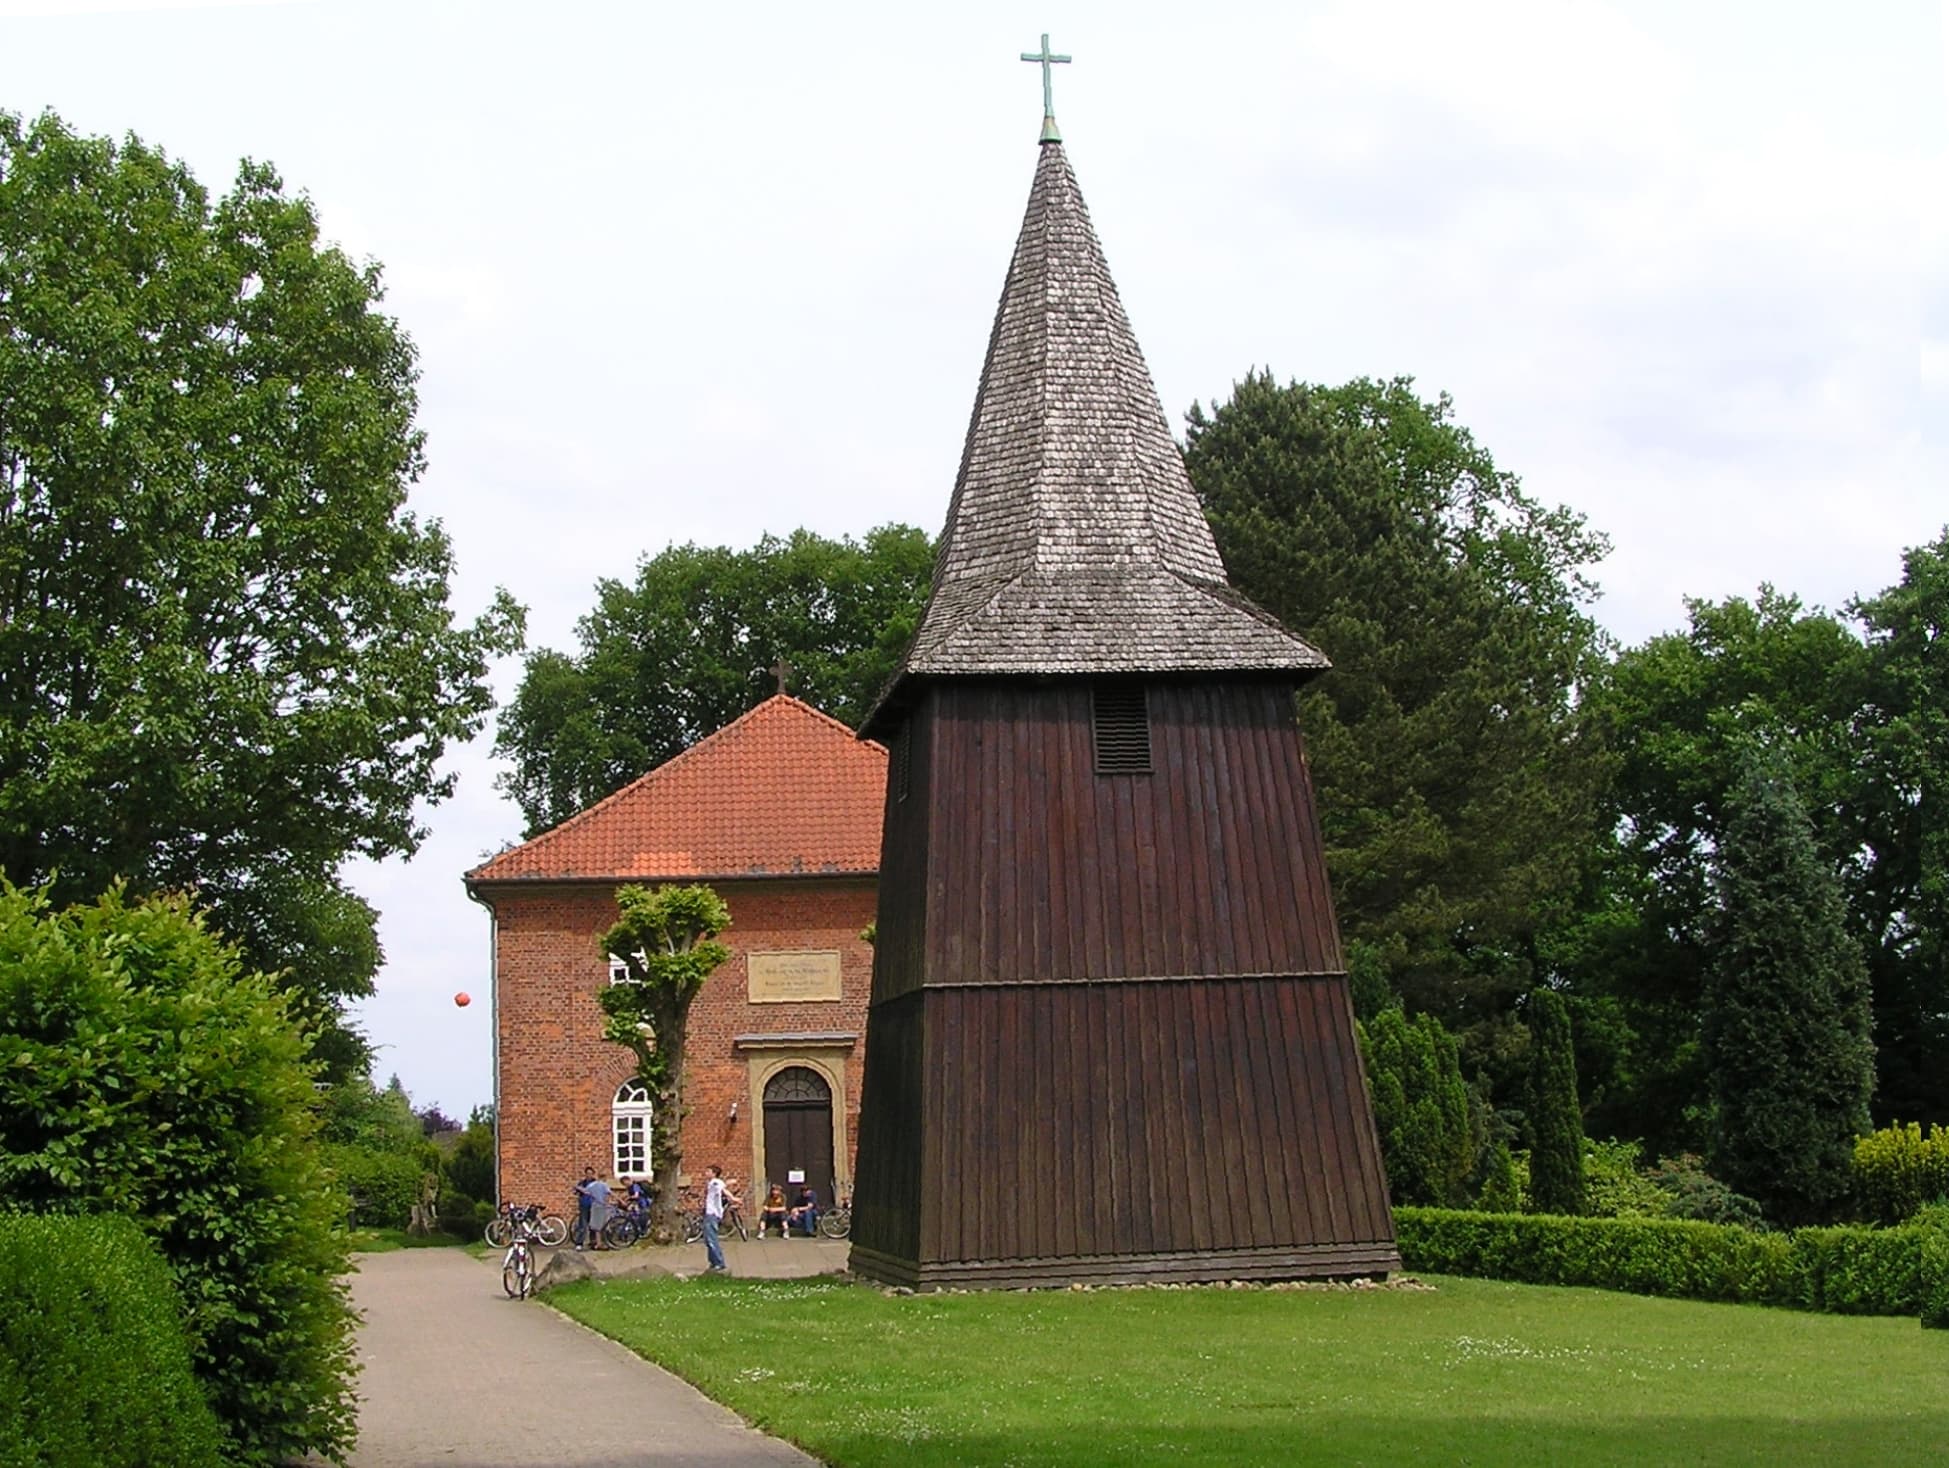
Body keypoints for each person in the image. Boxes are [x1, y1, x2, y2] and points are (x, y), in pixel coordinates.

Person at [701, 1164, 740, 1273]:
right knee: (708, 1239)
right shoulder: (712, 1183)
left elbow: (723, 1190)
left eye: (708, 1171)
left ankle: (719, 1263)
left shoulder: (715, 1182)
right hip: (710, 1213)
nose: (705, 1173)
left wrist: (733, 1198)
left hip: (712, 1214)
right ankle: (713, 1262)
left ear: (714, 1173)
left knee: (711, 1239)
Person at [574, 1167, 611, 1250]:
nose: (589, 1175)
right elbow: (577, 1192)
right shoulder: (582, 1183)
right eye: (587, 1173)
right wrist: (577, 1189)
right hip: (584, 1205)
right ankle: (579, 1243)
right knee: (583, 1224)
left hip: (594, 1206)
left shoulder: (596, 1183)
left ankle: (593, 1242)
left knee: (594, 1225)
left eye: (590, 1173)